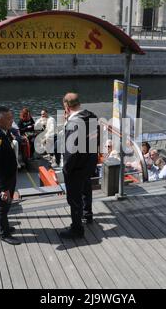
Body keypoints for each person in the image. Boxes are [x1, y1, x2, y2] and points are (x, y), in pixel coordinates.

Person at [60, 92, 98, 239]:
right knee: (86, 188)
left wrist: (66, 169)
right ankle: (87, 214)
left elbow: (70, 152)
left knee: (74, 198)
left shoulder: (73, 124)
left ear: (66, 106)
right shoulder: (91, 116)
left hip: (75, 168)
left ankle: (77, 229)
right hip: (88, 164)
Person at [0, 106, 21, 245]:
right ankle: (4, 234)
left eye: (11, 117)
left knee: (4, 205)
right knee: (2, 206)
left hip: (9, 177)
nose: (12, 120)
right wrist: (3, 188)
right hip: (4, 180)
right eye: (8, 118)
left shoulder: (4, 132)